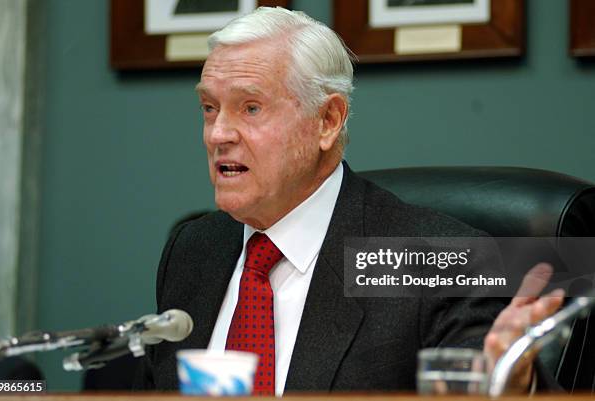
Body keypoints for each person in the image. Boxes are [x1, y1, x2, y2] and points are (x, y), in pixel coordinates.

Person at [134, 7, 564, 395]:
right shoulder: (194, 250)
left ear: (327, 120)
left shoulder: (432, 260)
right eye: (209, 108)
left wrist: (513, 381)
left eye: (250, 108)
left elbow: (492, 380)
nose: (218, 134)